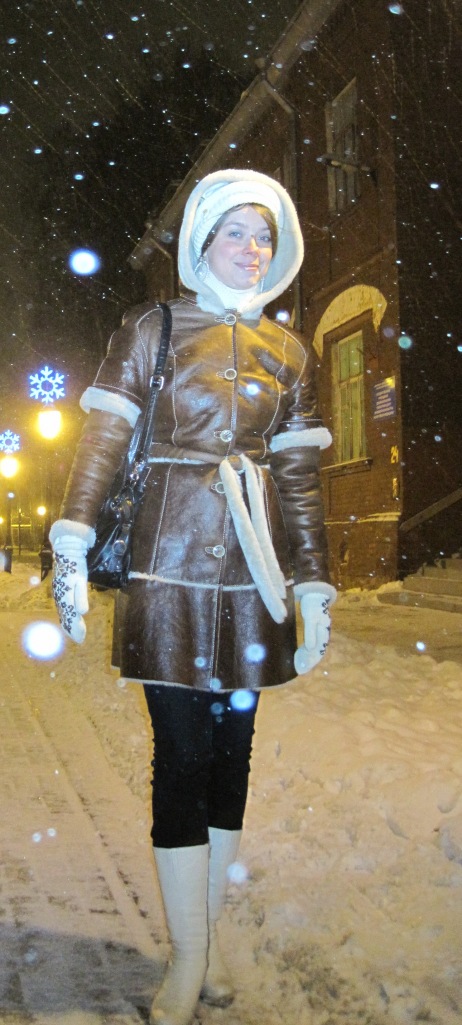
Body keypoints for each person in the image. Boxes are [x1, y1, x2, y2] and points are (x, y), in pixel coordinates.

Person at [49, 169, 336, 1025]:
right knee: (180, 753)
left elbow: (299, 476)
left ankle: (206, 938)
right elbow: (104, 432)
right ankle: (187, 954)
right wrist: (72, 536)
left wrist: (313, 583)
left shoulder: (292, 353)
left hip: (253, 575)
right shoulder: (155, 327)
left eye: (263, 234)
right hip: (167, 567)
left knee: (231, 754)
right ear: (203, 241)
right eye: (234, 232)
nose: (251, 249)